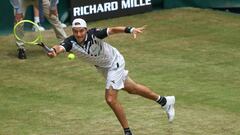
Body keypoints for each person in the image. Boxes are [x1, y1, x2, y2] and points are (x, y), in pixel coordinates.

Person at [47, 18, 175, 135]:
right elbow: (59, 47)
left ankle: (128, 132)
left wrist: (130, 30)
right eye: (76, 31)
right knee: (132, 88)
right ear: (73, 31)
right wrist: (54, 51)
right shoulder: (70, 42)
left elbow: (112, 30)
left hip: (115, 62)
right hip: (103, 68)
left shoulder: (94, 34)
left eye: (81, 31)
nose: (79, 34)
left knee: (110, 99)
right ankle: (164, 101)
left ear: (86, 30)